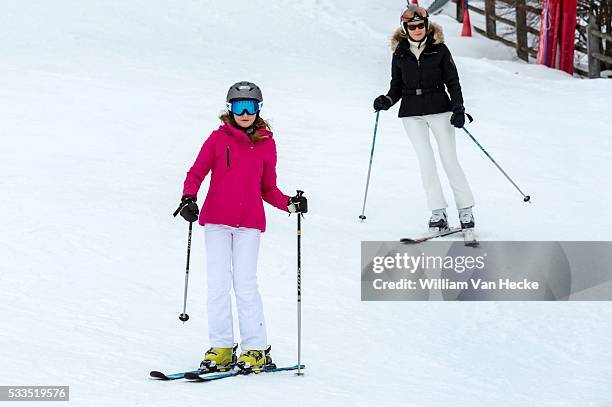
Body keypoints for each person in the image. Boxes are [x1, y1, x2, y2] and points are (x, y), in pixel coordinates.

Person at [177, 81, 307, 371]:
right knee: (217, 284)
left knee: (245, 284)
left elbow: (268, 188)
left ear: (259, 109)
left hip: (248, 224)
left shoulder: (266, 144)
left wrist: (289, 204)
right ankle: (222, 346)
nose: (245, 113)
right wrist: (188, 197)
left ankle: (256, 348)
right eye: (238, 106)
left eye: (250, 107)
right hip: (216, 221)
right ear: (230, 109)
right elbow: (197, 171)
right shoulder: (216, 139)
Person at [373, 5, 476, 232]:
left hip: (440, 109)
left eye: (421, 25)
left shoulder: (439, 50)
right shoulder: (399, 53)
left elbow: (453, 82)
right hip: (412, 115)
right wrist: (387, 100)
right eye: (412, 26)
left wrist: (458, 109)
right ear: (405, 28)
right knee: (426, 162)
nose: (417, 29)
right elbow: (396, 87)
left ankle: (465, 209)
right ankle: (438, 212)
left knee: (449, 159)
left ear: (427, 25)